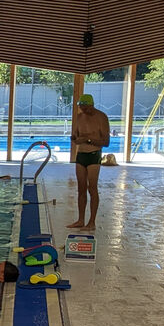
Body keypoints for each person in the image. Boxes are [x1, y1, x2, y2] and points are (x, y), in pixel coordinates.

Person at [68, 94, 110, 231]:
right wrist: (74, 138)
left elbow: (106, 142)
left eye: (85, 108)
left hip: (94, 155)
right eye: (81, 108)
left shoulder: (101, 117)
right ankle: (81, 220)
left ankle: (92, 222)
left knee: (92, 188)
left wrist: (88, 140)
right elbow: (75, 136)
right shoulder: (79, 117)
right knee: (81, 189)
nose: (83, 111)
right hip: (81, 155)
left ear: (91, 106)